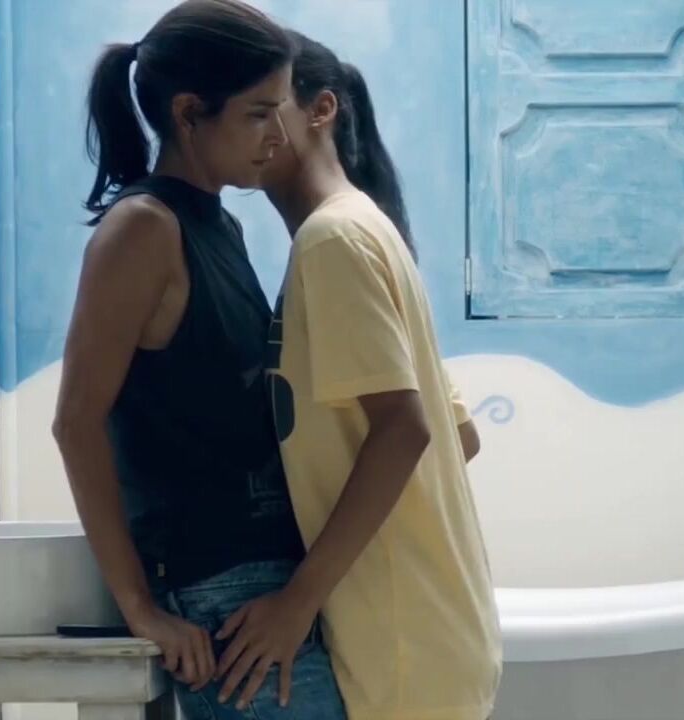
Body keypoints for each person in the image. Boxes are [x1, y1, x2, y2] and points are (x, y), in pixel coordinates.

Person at [53, 2, 347, 717]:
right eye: (258, 114)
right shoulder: (142, 231)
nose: (279, 135)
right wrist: (140, 608)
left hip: (269, 585)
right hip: (220, 593)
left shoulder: (223, 225)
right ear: (188, 113)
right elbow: (77, 422)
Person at [214, 31, 501, 720]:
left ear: (322, 111)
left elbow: (405, 430)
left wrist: (298, 602)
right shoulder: (366, 228)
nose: (253, 127)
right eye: (243, 111)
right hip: (430, 626)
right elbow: (459, 435)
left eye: (269, 107)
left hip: (401, 640)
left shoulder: (333, 239)